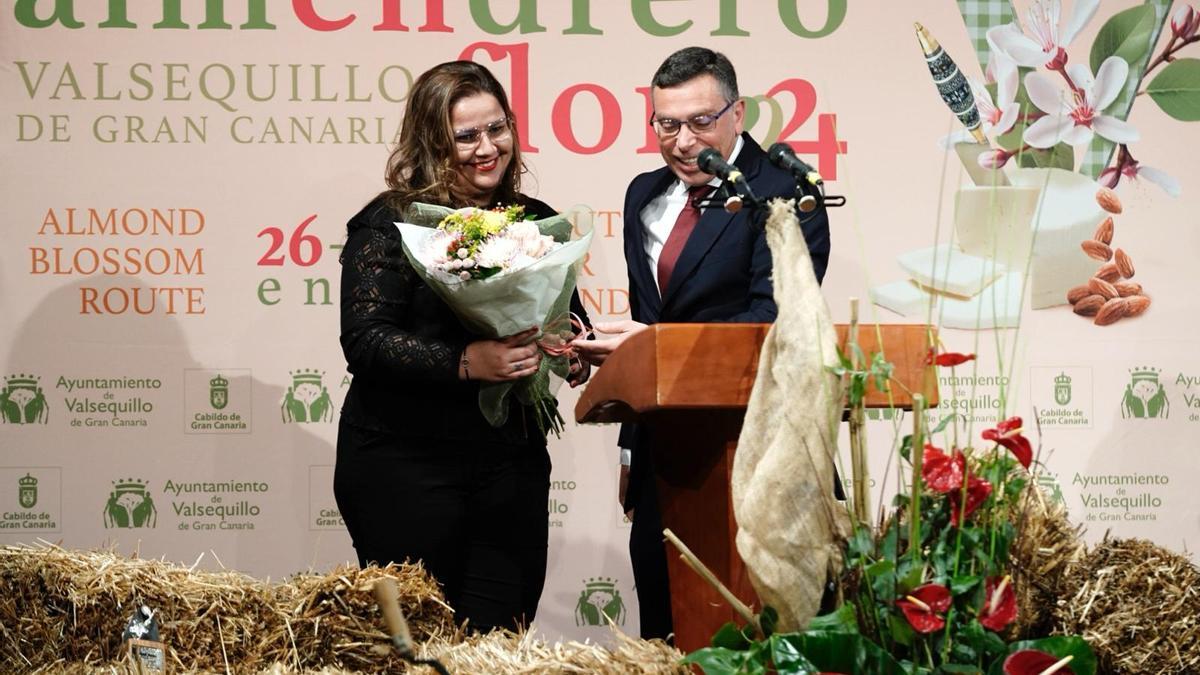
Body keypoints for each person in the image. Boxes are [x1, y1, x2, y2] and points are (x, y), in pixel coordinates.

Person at [573, 46, 831, 640]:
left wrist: (658, 344)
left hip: (760, 452)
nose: (683, 141)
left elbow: (776, 324)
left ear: (738, 114)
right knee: (665, 633)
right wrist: (629, 451)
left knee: (769, 637)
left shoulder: (788, 193)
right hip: (662, 458)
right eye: (667, 124)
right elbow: (648, 319)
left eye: (700, 122)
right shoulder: (643, 193)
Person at [334, 60, 588, 634]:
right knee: (418, 645)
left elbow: (569, 318)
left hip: (509, 469)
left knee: (499, 642)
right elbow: (366, 342)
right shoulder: (391, 224)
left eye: (497, 129)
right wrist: (467, 363)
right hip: (403, 465)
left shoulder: (536, 224)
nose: (486, 148)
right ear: (432, 140)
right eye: (466, 135)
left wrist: (570, 350)